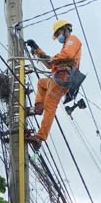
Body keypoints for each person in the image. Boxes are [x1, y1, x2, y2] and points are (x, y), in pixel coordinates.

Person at [24, 19, 82, 150]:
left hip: (63, 77)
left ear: (65, 30)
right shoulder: (64, 47)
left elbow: (68, 55)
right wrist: (37, 49)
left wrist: (53, 59)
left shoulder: (72, 40)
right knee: (41, 83)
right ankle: (39, 107)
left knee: (50, 106)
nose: (59, 36)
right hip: (57, 78)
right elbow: (50, 64)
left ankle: (40, 137)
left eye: (59, 33)